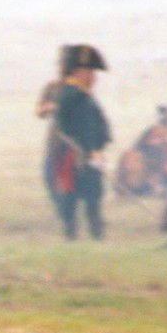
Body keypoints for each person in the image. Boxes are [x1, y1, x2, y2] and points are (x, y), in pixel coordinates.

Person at [42, 43, 111, 240]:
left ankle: (93, 238)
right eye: (90, 71)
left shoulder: (79, 94)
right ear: (79, 72)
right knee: (72, 198)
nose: (94, 77)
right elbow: (78, 126)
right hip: (76, 154)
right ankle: (76, 238)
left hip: (86, 154)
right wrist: (90, 151)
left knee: (91, 198)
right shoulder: (73, 94)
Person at [115, 104, 167, 196]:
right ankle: (163, 189)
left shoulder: (158, 134)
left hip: (141, 177)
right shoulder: (158, 134)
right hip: (140, 181)